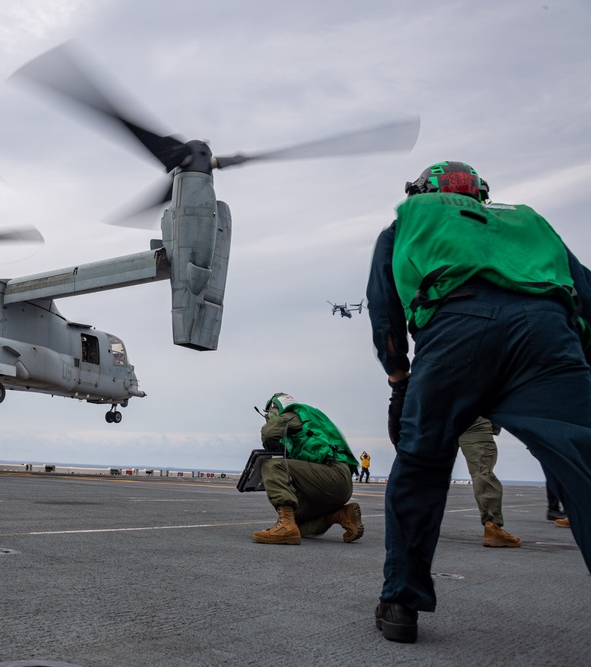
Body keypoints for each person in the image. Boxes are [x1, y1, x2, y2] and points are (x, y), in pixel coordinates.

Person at [366, 161, 591, 644]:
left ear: (423, 189)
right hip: (549, 334)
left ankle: (402, 602)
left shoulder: (408, 218)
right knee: (583, 462)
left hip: (456, 327)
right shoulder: (528, 219)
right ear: (482, 193)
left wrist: (398, 377)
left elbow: (384, 305)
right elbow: (585, 292)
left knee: (422, 463)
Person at [251, 392, 364, 545]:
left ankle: (285, 527)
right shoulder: (305, 423)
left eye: (270, 413)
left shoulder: (296, 414)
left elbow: (269, 433)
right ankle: (340, 515)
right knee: (296, 520)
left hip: (333, 474)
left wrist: (273, 428)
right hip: (330, 485)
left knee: (271, 465)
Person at [457, 418, 520, 548]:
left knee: (422, 471)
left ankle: (411, 524)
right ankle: (492, 527)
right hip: (471, 415)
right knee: (482, 471)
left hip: (432, 412)